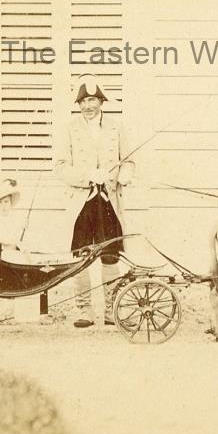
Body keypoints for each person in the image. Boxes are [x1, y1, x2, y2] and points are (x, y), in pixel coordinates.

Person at [53, 74, 135, 328]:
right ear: (78, 105)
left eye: (92, 100)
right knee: (81, 257)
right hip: (82, 201)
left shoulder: (116, 127)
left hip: (108, 201)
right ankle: (85, 311)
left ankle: (111, 310)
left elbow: (129, 161)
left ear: (101, 101)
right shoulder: (69, 129)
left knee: (110, 255)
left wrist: (123, 175)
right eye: (83, 102)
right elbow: (60, 167)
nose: (88, 106)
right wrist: (88, 175)